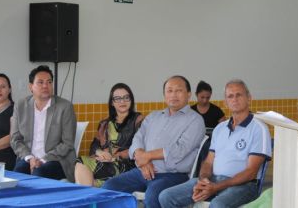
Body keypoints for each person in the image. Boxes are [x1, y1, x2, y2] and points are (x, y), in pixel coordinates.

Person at [159, 79, 272, 208]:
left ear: (249, 98)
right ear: (225, 102)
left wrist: (216, 187)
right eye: (230, 96)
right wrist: (204, 181)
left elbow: (251, 172)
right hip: (214, 181)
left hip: (243, 186)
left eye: (239, 95)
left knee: (218, 205)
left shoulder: (259, 128)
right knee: (166, 197)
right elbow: (208, 162)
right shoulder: (220, 128)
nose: (234, 99)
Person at [102, 75, 206, 208]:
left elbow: (180, 150)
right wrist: (143, 160)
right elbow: (137, 139)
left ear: (189, 94)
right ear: (164, 95)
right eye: (169, 91)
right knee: (109, 187)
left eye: (178, 90)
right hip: (141, 171)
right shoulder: (153, 116)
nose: (173, 94)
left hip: (172, 175)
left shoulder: (195, 120)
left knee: (153, 196)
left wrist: (148, 156)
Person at [10, 65, 76, 181]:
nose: (45, 86)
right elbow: (15, 139)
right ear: (31, 86)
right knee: (17, 176)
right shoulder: (20, 106)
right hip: (28, 158)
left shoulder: (64, 107)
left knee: (38, 174)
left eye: (49, 82)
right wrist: (30, 158)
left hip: (56, 159)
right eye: (40, 82)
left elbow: (67, 143)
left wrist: (43, 160)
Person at [75, 83, 143, 187]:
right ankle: (93, 189)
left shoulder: (138, 120)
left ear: (131, 99)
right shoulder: (104, 124)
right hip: (104, 162)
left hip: (126, 164)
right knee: (78, 161)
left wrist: (114, 157)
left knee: (87, 171)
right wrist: (100, 152)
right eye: (117, 98)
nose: (122, 101)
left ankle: (90, 193)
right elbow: (94, 146)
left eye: (126, 97)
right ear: (112, 102)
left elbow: (141, 146)